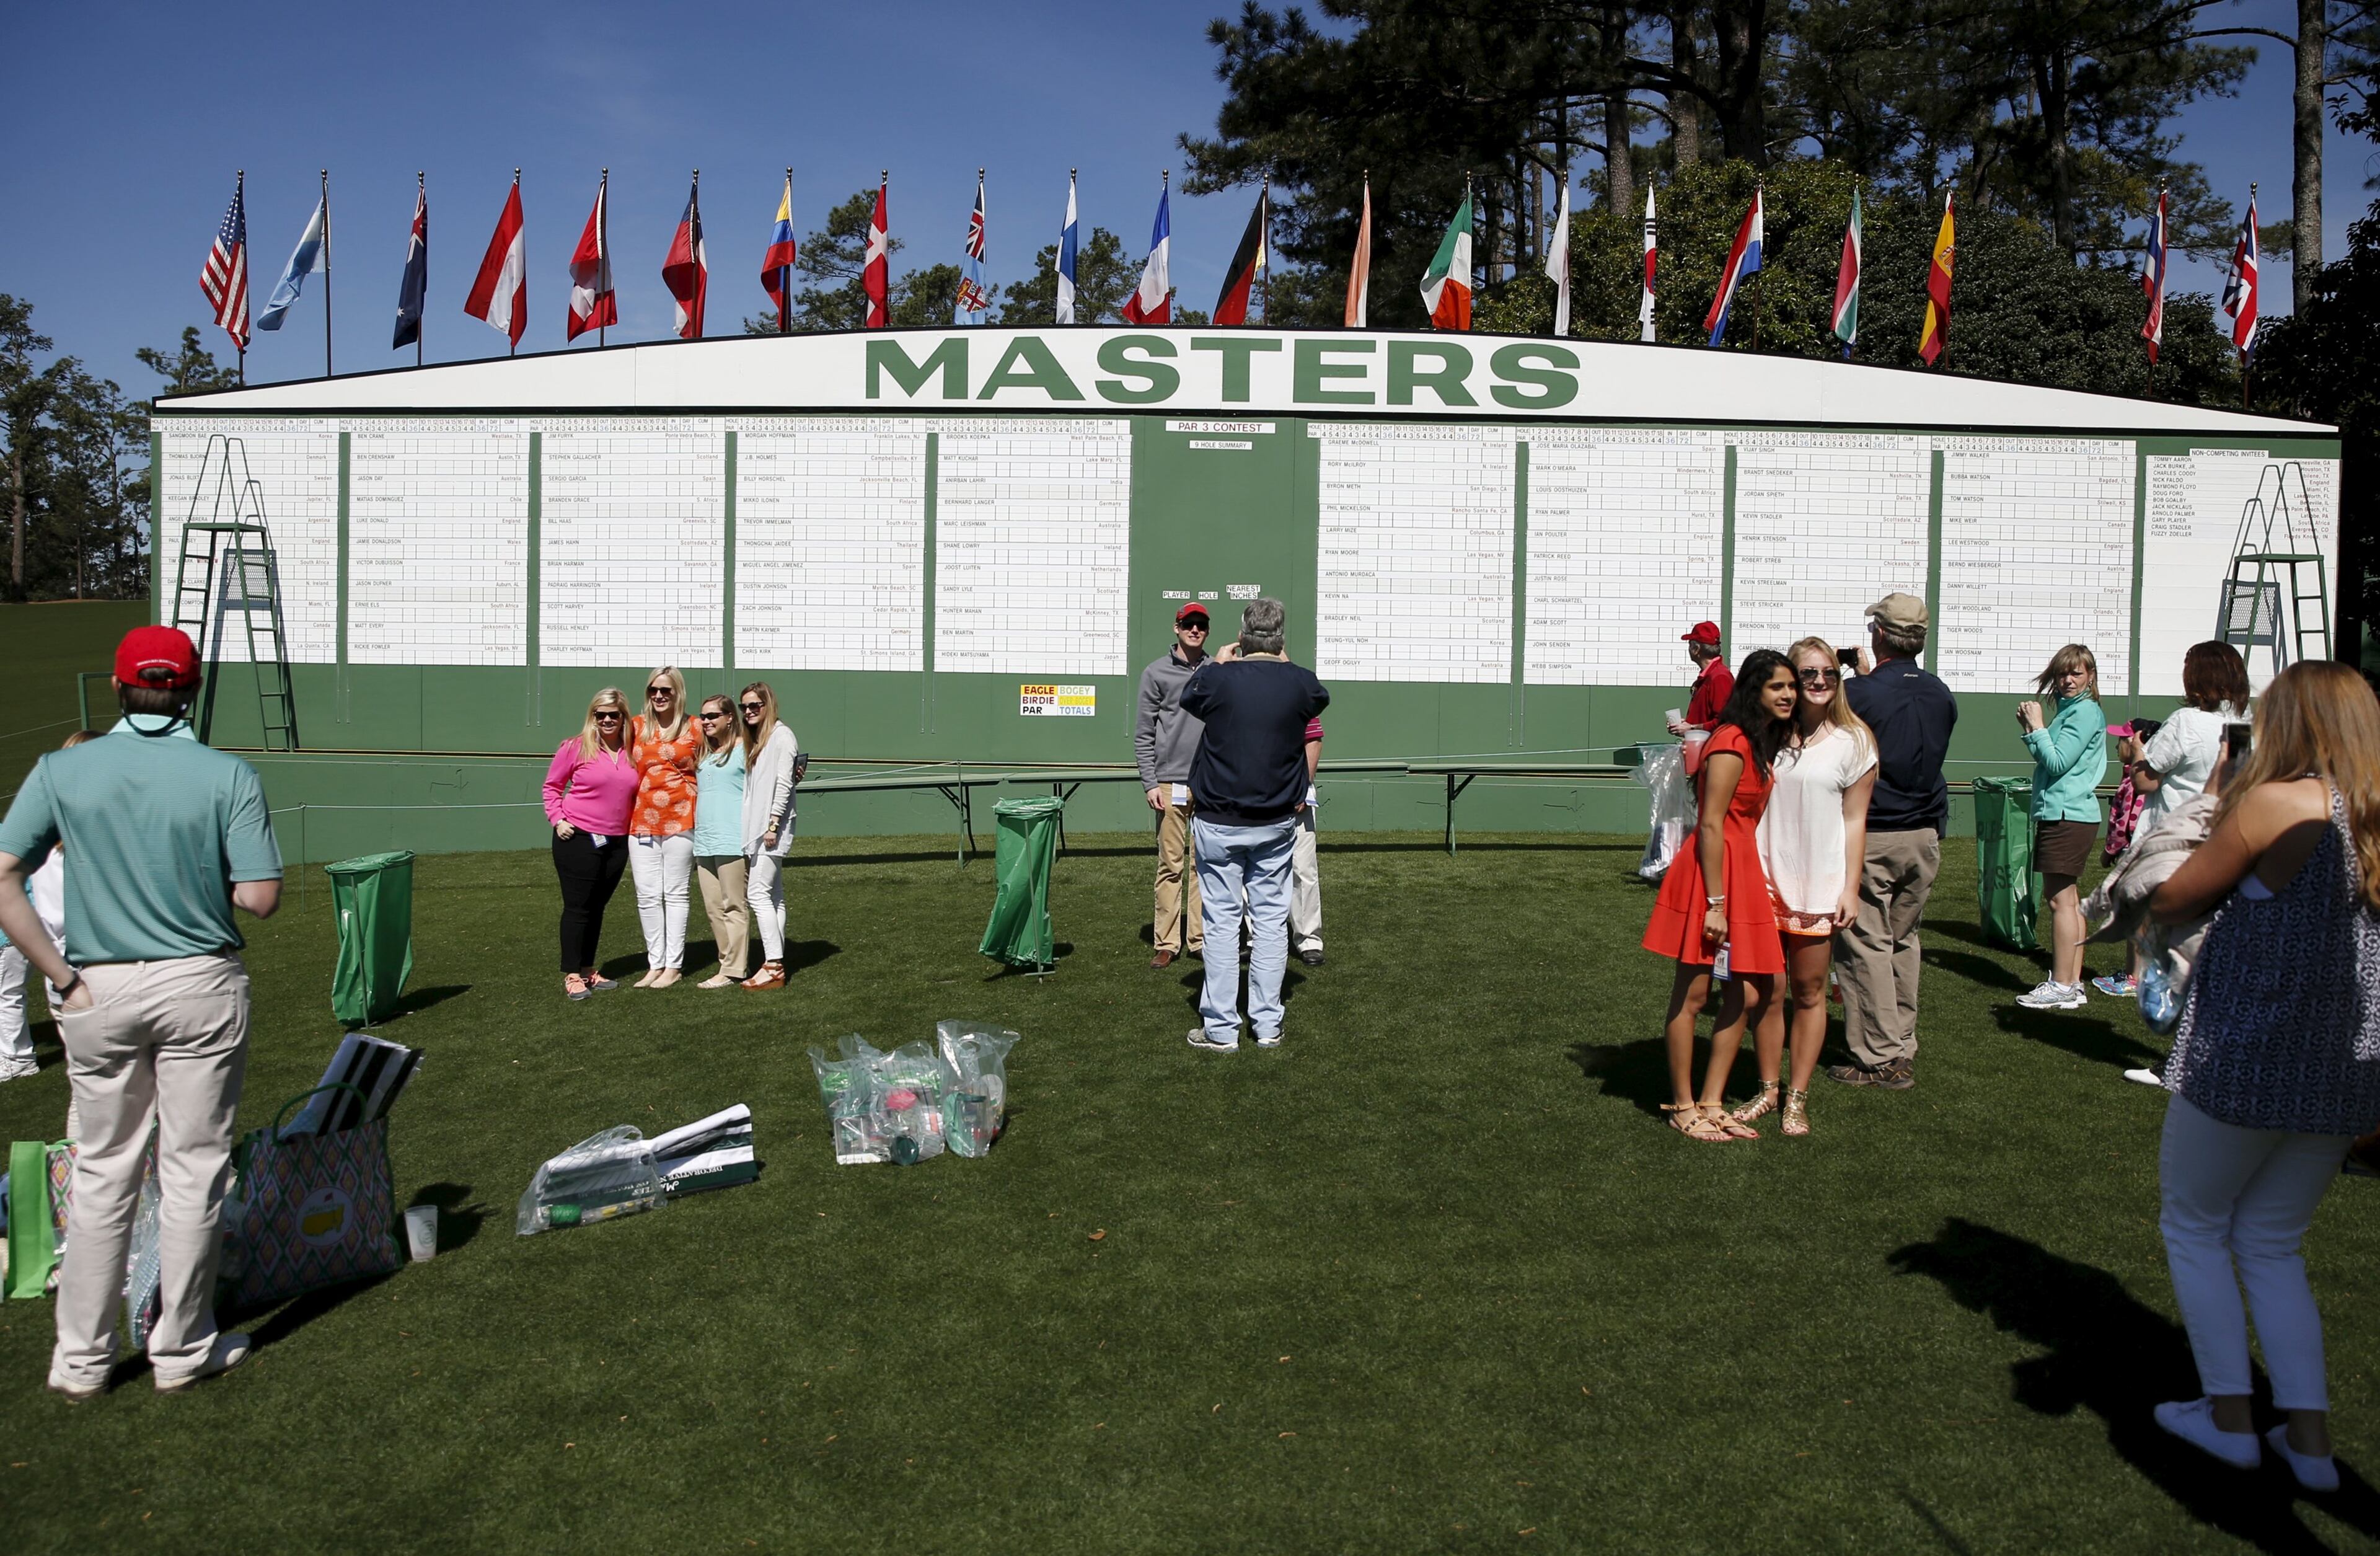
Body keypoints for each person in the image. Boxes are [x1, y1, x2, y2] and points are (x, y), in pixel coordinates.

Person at [0, 627, 283, 1398]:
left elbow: (4, 872)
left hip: (99, 986)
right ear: (190, 691)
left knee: (102, 1172)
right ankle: (181, 1346)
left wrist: (60, 975)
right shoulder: (227, 774)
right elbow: (259, 897)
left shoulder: (62, 769)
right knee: (194, 1170)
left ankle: (82, 1360)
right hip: (200, 984)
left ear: (121, 691)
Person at [2146, 661, 2380, 1492]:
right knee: (2273, 1243)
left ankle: (2229, 1415)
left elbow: (2176, 897)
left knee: (2194, 1222)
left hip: (2248, 1058)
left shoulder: (2279, 803)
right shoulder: (2371, 818)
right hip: (2342, 1072)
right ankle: (2309, 1441)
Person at [1643, 649, 1797, 1141]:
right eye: (1778, 687)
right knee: (1693, 993)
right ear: (1755, 691)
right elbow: (1711, 824)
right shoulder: (1731, 742)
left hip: (1741, 872)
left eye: (1792, 686)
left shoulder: (1756, 742)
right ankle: (1683, 1105)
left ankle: (1712, 1101)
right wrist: (1716, 904)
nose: (1790, 695)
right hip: (1713, 876)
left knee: (1748, 992)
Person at [1177, 598, 1329, 1051]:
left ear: (1242, 636)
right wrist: (1280, 658)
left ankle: (1221, 1029)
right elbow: (1313, 693)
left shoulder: (1220, 678)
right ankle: (1267, 1026)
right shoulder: (1299, 682)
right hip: (1274, 823)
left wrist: (1218, 663)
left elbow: (1191, 696)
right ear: (1281, 639)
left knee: (1223, 924)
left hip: (1221, 820)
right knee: (1269, 923)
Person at [1739, 639, 1876, 1137]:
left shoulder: (1856, 741)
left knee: (1810, 991)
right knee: (1767, 993)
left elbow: (1856, 820)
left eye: (1828, 674)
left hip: (1820, 881)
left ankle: (1797, 1098)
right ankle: (1767, 1089)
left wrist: (1851, 887)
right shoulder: (1766, 735)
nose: (1819, 682)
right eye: (1806, 675)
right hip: (1763, 878)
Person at [1830, 595, 1956, 1089]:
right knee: (1902, 941)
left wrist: (1858, 681)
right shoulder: (1941, 692)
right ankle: (1900, 1043)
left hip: (1876, 830)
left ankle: (1880, 1056)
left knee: (1864, 945)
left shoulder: (1859, 694)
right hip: (1924, 833)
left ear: (1879, 634)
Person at [2015, 644, 2108, 1011]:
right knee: (2069, 900)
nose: (2068, 681)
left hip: (2068, 815)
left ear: (2091, 677)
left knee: (2060, 901)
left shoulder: (2084, 713)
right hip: (2069, 814)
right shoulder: (2076, 711)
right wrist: (2034, 730)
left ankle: (2062, 984)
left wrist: (2036, 728)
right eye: (2062, 674)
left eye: (2077, 674)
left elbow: (2056, 763)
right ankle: (2072, 984)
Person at [0, 730, 95, 1085]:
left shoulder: (41, 841)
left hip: (63, 970)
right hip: (96, 966)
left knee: (90, 1080)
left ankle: (17, 1058)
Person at [544, 688, 637, 1001]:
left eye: (614, 714)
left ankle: (588, 970)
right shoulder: (575, 747)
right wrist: (558, 819)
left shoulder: (633, 750)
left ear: (624, 717)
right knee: (578, 908)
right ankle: (571, 975)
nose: (608, 720)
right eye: (601, 715)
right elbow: (552, 787)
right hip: (578, 838)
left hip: (618, 840)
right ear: (593, 717)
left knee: (597, 908)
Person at [1135, 601, 1209, 968]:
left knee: (1204, 866)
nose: (1195, 630)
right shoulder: (1155, 673)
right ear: (1176, 628)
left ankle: (1198, 940)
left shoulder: (1216, 671)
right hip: (1168, 784)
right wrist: (1150, 782)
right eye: (1189, 624)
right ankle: (1167, 942)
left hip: (1209, 784)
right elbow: (1143, 733)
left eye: (1201, 625)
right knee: (1171, 864)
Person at [627, 666, 702, 989]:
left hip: (683, 817)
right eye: (653, 690)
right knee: (646, 896)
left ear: (678, 693)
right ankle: (654, 964)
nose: (658, 696)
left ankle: (674, 965)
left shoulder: (696, 726)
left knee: (675, 893)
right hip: (642, 820)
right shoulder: (637, 726)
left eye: (666, 691)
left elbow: (727, 752)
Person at [738, 681, 800, 991]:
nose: (749, 711)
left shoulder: (782, 736)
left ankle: (773, 964)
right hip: (759, 829)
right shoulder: (757, 740)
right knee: (773, 895)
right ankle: (774, 959)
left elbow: (784, 783)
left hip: (770, 830)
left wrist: (773, 825)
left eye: (755, 706)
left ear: (768, 705)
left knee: (757, 894)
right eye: (745, 707)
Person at [690, 695, 752, 990]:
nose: (707, 721)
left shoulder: (747, 749)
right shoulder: (704, 752)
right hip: (705, 840)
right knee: (714, 907)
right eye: (703, 716)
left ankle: (735, 969)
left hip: (733, 839)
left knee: (734, 906)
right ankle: (727, 964)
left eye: (713, 715)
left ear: (730, 717)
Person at [1290, 715, 1325, 967]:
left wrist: (1304, 783)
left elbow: (1313, 738)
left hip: (1295, 795)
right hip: (1252, 793)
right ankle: (1254, 937)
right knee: (1250, 870)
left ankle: (1309, 939)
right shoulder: (1240, 683)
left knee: (1302, 869)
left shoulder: (1298, 689)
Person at [1667, 621, 1734, 736]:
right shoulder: (1710, 676)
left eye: (1690, 644)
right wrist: (1687, 725)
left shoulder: (1720, 677)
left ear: (1696, 649)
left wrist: (1692, 728)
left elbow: (1725, 722)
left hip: (1711, 750)